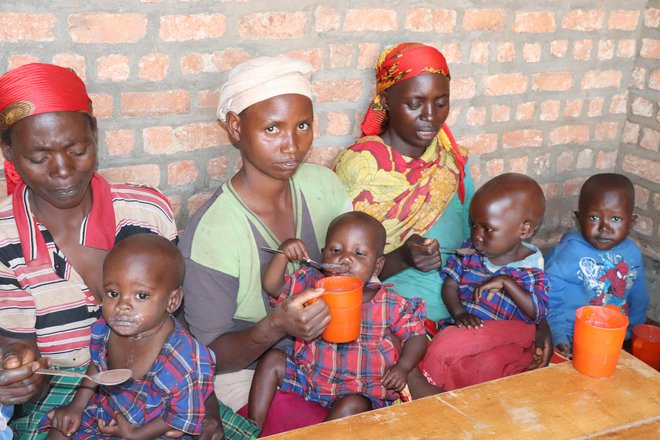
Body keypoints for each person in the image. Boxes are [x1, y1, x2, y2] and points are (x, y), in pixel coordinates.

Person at [0, 63, 221, 440]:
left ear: (95, 136)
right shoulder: (6, 237)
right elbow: (19, 347)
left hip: (163, 394)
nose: (64, 170)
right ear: (8, 152)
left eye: (77, 149)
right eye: (39, 158)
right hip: (60, 397)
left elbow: (174, 319)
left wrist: (206, 407)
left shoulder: (145, 211)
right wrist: (19, 374)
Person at [333, 43, 553, 391]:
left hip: (469, 319)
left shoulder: (451, 167)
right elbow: (341, 274)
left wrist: (540, 323)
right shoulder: (361, 170)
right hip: (394, 325)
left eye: (441, 102)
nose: (431, 117)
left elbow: (496, 250)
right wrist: (404, 256)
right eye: (414, 103)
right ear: (386, 101)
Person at [179, 55, 351, 436]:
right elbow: (212, 357)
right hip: (249, 372)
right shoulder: (214, 232)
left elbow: (363, 267)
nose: (292, 145)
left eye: (302, 126)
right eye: (272, 128)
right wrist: (275, 325)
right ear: (236, 127)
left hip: (328, 357)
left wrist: (393, 259)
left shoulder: (325, 186)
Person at [250, 212, 427, 427]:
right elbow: (273, 286)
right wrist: (283, 254)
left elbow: (416, 335)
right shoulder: (312, 286)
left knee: (353, 404)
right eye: (335, 251)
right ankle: (252, 427)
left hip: (361, 389)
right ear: (323, 256)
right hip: (310, 378)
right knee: (272, 360)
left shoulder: (389, 302)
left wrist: (403, 367)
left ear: (378, 265)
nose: (345, 258)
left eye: (359, 253)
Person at [41, 234, 216, 439]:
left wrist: (136, 434)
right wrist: (77, 406)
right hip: (110, 409)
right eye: (113, 293)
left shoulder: (183, 360)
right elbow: (98, 365)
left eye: (141, 295)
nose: (122, 306)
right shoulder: (105, 329)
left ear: (172, 301)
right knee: (60, 431)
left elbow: (181, 416)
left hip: (155, 428)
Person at [546, 173, 649, 358]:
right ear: (579, 218)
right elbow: (549, 300)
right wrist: (558, 337)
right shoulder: (568, 254)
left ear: (631, 222)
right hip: (571, 339)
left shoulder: (632, 253)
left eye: (615, 219)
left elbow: (638, 298)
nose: (604, 228)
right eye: (593, 218)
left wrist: (632, 332)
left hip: (613, 337)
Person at [441, 173, 549, 329]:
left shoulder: (530, 270)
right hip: (464, 329)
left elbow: (537, 313)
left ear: (524, 231)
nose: (476, 236)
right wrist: (459, 314)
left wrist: (506, 281)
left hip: (502, 339)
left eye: (487, 229)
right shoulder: (469, 252)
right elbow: (449, 285)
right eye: (473, 225)